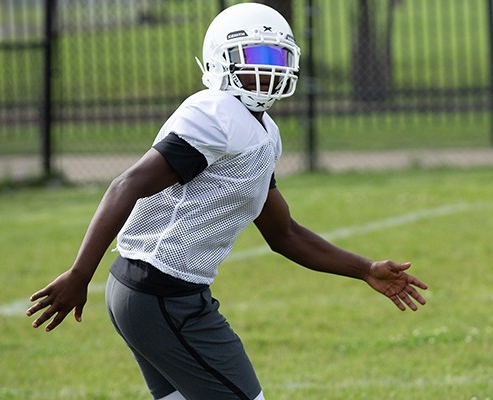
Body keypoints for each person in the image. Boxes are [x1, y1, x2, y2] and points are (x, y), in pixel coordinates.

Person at [27, 3, 428, 400]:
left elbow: (283, 233)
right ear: (221, 59)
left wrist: (364, 269)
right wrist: (80, 274)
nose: (268, 69)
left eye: (278, 57)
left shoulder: (264, 132)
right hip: (163, 294)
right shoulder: (215, 113)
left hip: (155, 295)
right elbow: (126, 185)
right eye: (255, 56)